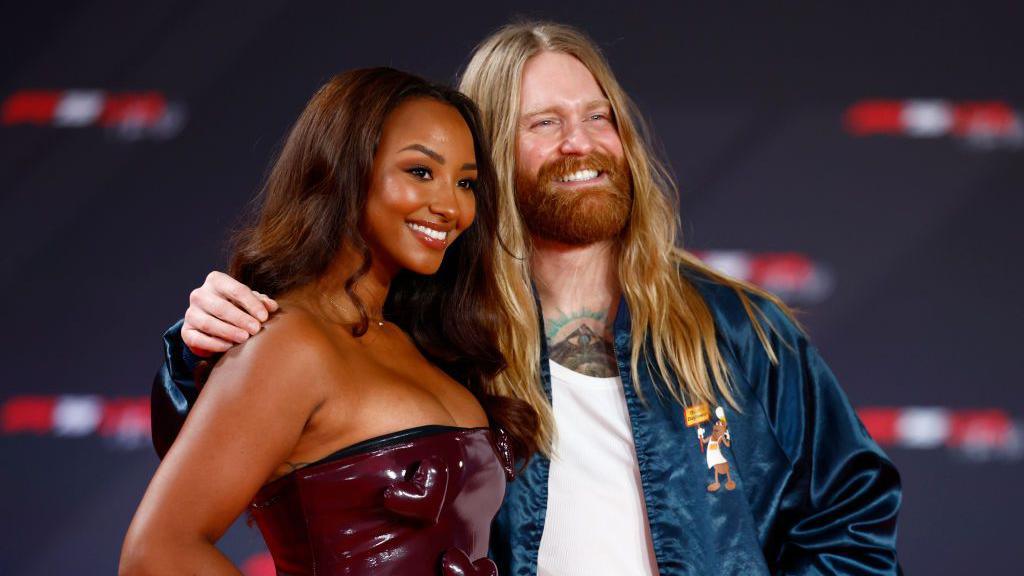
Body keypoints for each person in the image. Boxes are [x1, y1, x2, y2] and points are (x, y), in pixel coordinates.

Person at [153, 23, 902, 575]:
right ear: (485, 156)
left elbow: (852, 518)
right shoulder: (430, 331)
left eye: (597, 116)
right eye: (544, 124)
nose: (581, 143)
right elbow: (249, 461)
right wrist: (198, 352)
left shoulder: (740, 332)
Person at [122, 68, 539, 576]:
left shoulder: (426, 345)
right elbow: (158, 553)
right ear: (346, 169)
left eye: (467, 182)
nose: (451, 206)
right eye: (421, 172)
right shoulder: (289, 343)